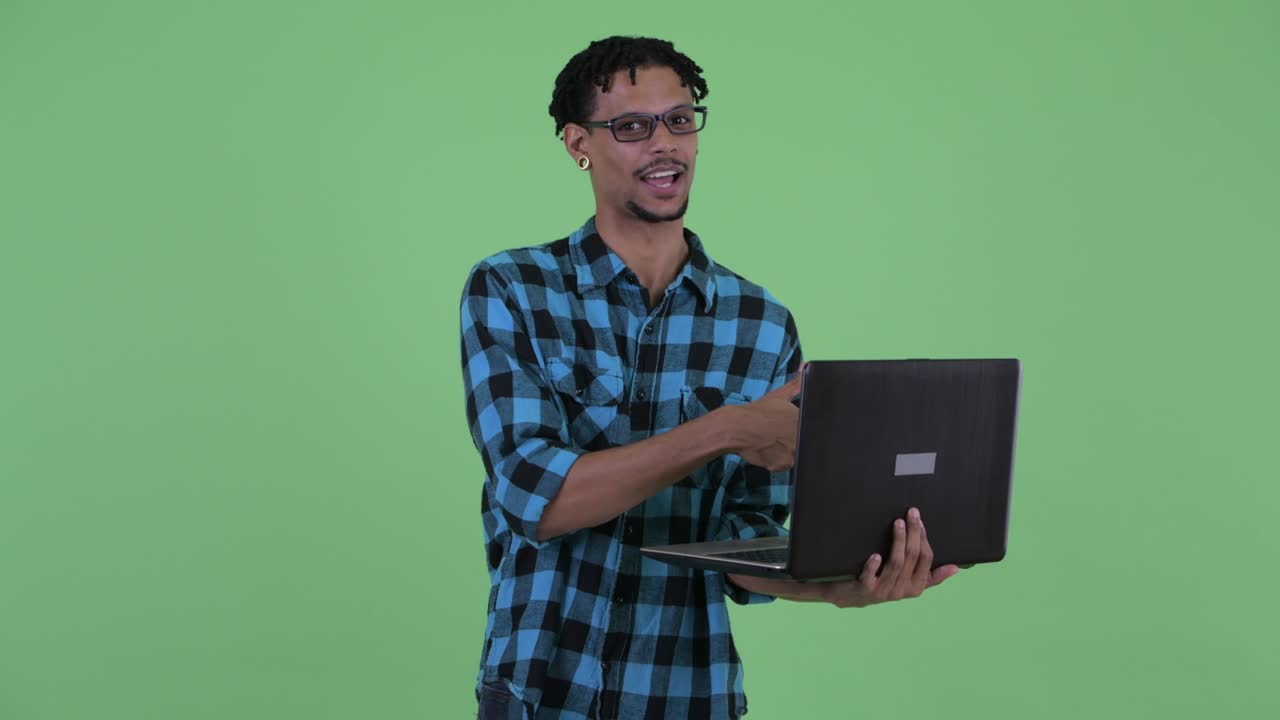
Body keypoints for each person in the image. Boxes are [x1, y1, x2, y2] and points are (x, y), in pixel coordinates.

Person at [459, 35, 960, 720]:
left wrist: (836, 586)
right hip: (541, 695)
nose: (664, 144)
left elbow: (742, 538)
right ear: (579, 143)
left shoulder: (762, 323)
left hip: (690, 696)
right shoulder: (512, 290)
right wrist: (724, 429)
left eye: (680, 119)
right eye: (633, 126)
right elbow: (534, 498)